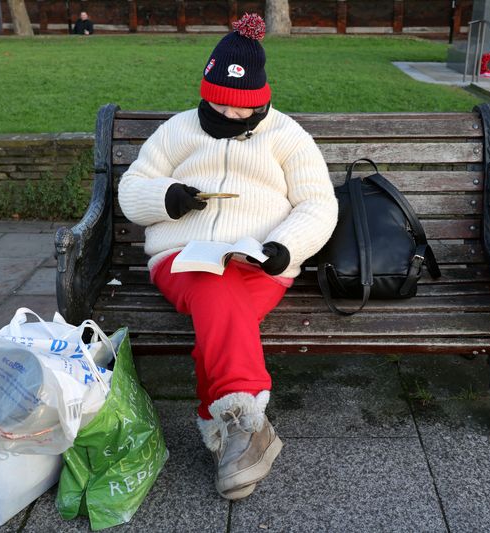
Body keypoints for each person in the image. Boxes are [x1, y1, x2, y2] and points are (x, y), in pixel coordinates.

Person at [118, 13, 338, 500]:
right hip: (182, 258)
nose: (228, 116)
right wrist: (167, 198)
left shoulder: (287, 136)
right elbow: (130, 189)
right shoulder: (177, 131)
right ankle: (247, 421)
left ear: (261, 100)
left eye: (241, 111)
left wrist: (285, 248)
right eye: (218, 105)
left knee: (221, 316)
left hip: (260, 261)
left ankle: (225, 435)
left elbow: (318, 204)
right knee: (214, 291)